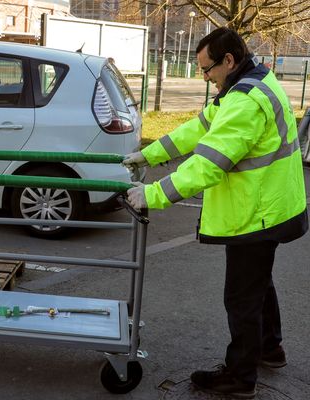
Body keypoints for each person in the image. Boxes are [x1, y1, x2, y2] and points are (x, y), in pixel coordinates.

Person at [124, 27, 308, 399]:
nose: (204, 78)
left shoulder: (244, 103)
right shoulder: (252, 82)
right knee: (257, 285)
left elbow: (207, 165)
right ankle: (270, 349)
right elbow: (200, 128)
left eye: (207, 69)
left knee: (241, 296)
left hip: (256, 213)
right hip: (272, 207)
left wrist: (153, 194)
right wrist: (150, 154)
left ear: (229, 60)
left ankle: (240, 377)